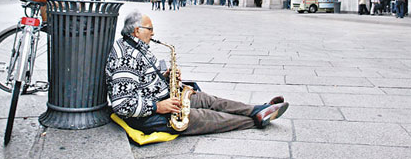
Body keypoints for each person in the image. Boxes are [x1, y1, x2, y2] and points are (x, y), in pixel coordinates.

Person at [106, 11, 289, 135]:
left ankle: (257, 109)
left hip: (165, 98)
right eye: (150, 29)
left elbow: (143, 79)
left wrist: (166, 76)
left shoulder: (139, 47)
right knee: (207, 117)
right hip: (149, 116)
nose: (154, 33)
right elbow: (121, 104)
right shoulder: (126, 58)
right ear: (137, 31)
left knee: (208, 100)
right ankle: (257, 120)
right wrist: (158, 107)